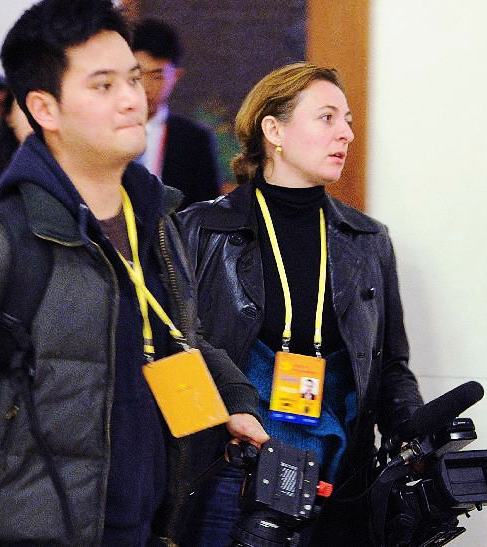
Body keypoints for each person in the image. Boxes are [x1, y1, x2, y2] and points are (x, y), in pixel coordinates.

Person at [0, 1, 268, 544]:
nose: (133, 99)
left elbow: (176, 341)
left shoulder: (158, 227)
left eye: (133, 78)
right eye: (103, 85)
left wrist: (235, 400)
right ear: (45, 108)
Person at [177, 62, 424, 545]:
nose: (346, 134)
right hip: (228, 469)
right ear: (274, 131)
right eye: (327, 117)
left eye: (348, 120)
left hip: (339, 470)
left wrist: (418, 435)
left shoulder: (368, 240)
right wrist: (215, 415)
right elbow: (169, 356)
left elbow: (391, 366)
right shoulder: (198, 230)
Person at [132, 18, 221, 208]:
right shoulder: (104, 130)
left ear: (176, 76)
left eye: (157, 76)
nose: (145, 87)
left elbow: (207, 208)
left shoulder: (195, 140)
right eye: (137, 75)